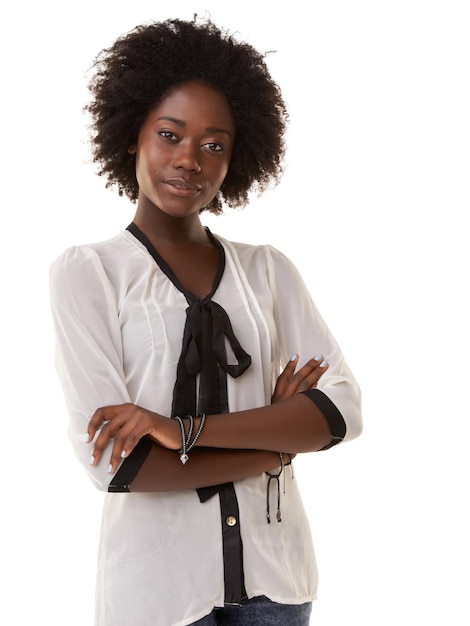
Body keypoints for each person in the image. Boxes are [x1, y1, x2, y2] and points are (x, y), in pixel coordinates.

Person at [49, 17, 362, 626]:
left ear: (236, 158)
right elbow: (120, 465)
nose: (189, 159)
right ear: (132, 134)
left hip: (278, 580)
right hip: (158, 591)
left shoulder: (268, 272)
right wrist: (276, 445)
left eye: (214, 144)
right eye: (170, 134)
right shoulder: (88, 273)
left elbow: (342, 412)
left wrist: (179, 430)